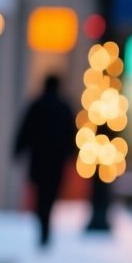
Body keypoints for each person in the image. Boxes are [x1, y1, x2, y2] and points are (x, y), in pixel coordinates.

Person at [14, 75, 78, 248]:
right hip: (56, 162)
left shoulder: (37, 105)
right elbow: (71, 135)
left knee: (41, 196)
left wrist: (18, 150)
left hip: (39, 161)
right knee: (50, 196)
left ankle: (43, 225)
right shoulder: (64, 107)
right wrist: (71, 154)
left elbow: (25, 130)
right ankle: (45, 225)